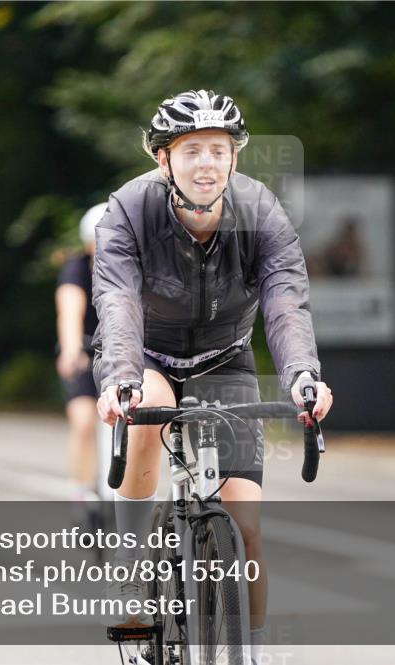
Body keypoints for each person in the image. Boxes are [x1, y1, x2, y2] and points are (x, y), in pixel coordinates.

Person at [91, 90, 334, 661]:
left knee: (245, 525)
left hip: (225, 357)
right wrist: (121, 377)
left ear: (234, 157)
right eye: (192, 149)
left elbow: (285, 301)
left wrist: (303, 376)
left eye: (219, 150)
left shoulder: (261, 211)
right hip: (147, 353)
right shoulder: (129, 210)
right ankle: (130, 570)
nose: (207, 163)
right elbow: (118, 298)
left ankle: (247, 651)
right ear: (163, 159)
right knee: (146, 403)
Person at [55, 203, 106, 509]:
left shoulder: (135, 265)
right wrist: (72, 350)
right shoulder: (75, 268)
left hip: (124, 351)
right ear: (88, 244)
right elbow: (69, 312)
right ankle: (82, 491)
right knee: (84, 421)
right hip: (85, 349)